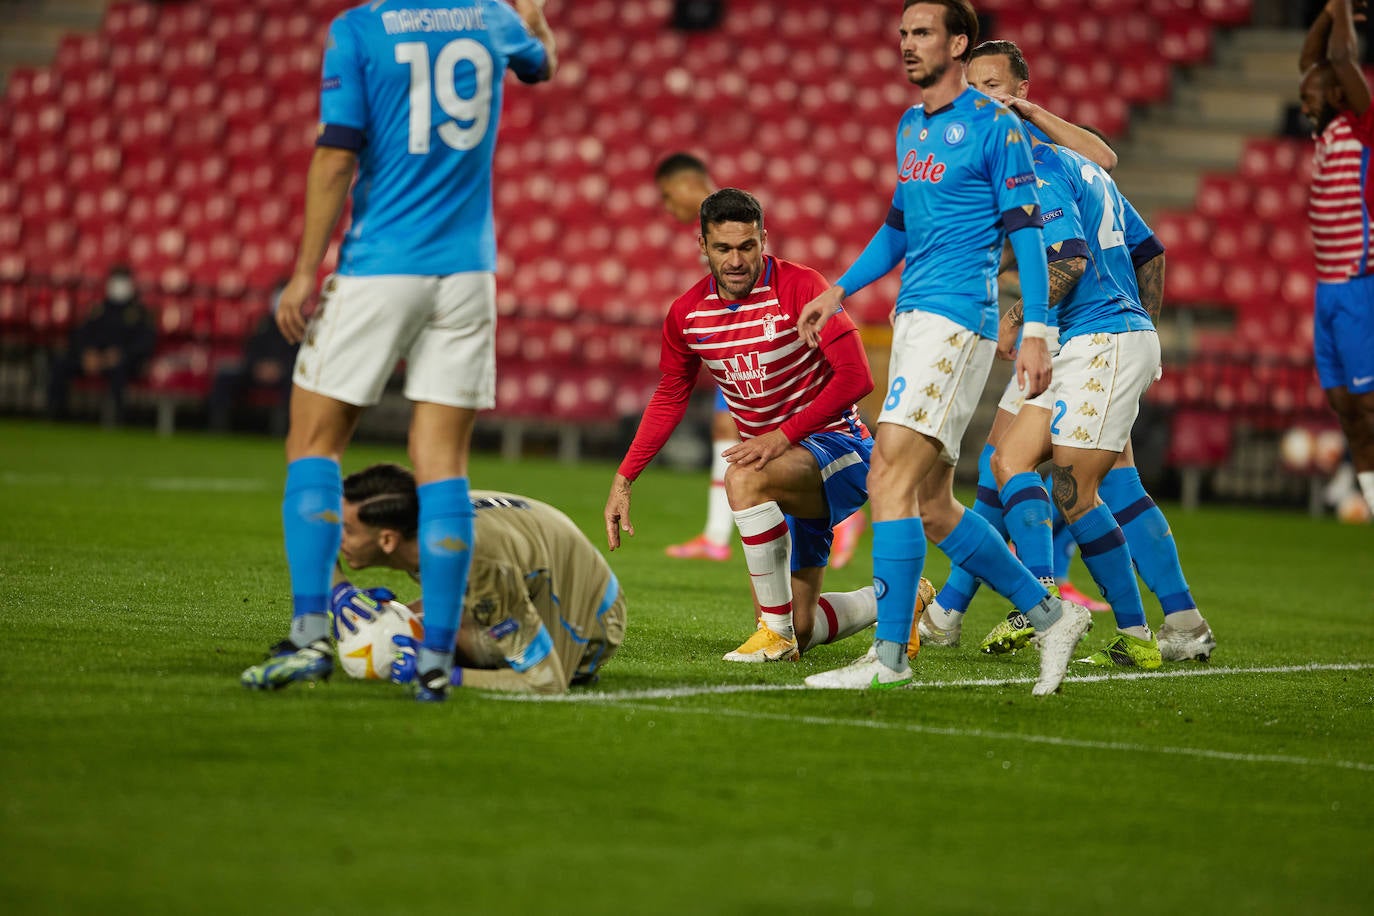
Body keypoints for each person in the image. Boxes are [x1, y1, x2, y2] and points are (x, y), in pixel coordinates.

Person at [241, 0, 557, 702]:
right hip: (468, 274)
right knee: (443, 465)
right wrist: (535, 18)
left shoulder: (359, 29)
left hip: (381, 265)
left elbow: (335, 155)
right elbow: (542, 65)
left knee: (313, 444)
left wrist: (304, 270)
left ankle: (309, 635)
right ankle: (437, 658)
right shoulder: (490, 17)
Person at [796, 0, 1091, 696]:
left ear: (959, 43)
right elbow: (897, 228)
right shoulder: (910, 127)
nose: (907, 44)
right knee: (931, 504)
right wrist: (840, 288)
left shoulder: (995, 126)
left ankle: (890, 659)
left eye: (922, 32)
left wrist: (1037, 329)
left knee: (886, 478)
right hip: (915, 318)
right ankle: (1052, 616)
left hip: (957, 320)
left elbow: (1027, 231)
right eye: (903, 33)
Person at [947, 40, 1214, 664]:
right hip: (1093, 337)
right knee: (1011, 461)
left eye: (991, 86)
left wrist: (1023, 317)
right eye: (970, 87)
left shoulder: (1039, 168)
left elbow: (1068, 259)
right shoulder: (1074, 163)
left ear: (1020, 92)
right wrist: (1143, 330)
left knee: (1074, 489)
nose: (978, 98)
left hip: (1096, 338)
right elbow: (1148, 251)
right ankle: (1062, 600)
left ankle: (1130, 630)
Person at [604, 189, 919, 663]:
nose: (735, 261)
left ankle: (774, 635)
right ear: (702, 246)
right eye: (723, 248)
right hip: (777, 467)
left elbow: (858, 377)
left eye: (746, 247)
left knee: (743, 478)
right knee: (803, 625)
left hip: (841, 450)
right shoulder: (687, 314)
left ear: (763, 240)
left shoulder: (801, 286)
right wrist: (624, 478)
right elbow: (670, 395)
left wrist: (781, 436)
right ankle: (899, 600)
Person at [653, 153, 868, 566]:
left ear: (686, 184)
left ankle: (725, 533)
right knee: (729, 430)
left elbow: (763, 286)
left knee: (738, 436)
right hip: (740, 348)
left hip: (761, 349)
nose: (667, 205)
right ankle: (723, 533)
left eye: (668, 195)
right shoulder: (722, 222)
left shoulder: (732, 225)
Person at [331, 463, 624, 694]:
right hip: (537, 573)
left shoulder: (480, 569)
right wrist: (339, 591)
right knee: (406, 627)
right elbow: (315, 530)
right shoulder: (426, 523)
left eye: (348, 530)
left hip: (591, 615)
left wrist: (444, 674)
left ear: (387, 540)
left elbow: (546, 682)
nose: (337, 535)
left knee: (432, 640)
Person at [1299, 0, 1374, 520]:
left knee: (1367, 404)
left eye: (1311, 97)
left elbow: (1341, 60)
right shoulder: (1326, 130)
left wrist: (1343, 7)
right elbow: (1311, 62)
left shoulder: (1362, 124)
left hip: (1357, 282)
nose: (1304, 103)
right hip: (1327, 287)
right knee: (1345, 406)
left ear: (1337, 94)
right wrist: (1328, 14)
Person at [45, 264, 156, 425]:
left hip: (122, 362)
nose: (118, 286)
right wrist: (87, 353)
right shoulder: (99, 310)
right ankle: (55, 413)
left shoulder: (140, 313)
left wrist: (120, 355)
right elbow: (80, 335)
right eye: (116, 280)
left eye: (122, 281)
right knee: (61, 364)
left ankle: (117, 418)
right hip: (93, 359)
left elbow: (145, 343)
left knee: (119, 371)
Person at [207, 279, 298, 434]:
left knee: (295, 384)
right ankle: (218, 426)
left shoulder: (299, 326)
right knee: (226, 376)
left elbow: (299, 356)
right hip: (257, 370)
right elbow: (251, 350)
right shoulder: (264, 323)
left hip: (285, 373)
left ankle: (287, 430)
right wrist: (257, 366)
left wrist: (280, 368)